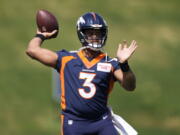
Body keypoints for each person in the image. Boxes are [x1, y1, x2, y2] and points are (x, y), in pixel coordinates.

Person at [26, 12, 138, 135]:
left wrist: (124, 64)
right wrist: (41, 35)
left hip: (101, 122)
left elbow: (130, 86)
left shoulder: (110, 63)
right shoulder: (66, 59)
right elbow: (32, 50)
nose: (95, 36)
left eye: (98, 32)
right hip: (74, 123)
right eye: (90, 33)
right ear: (82, 34)